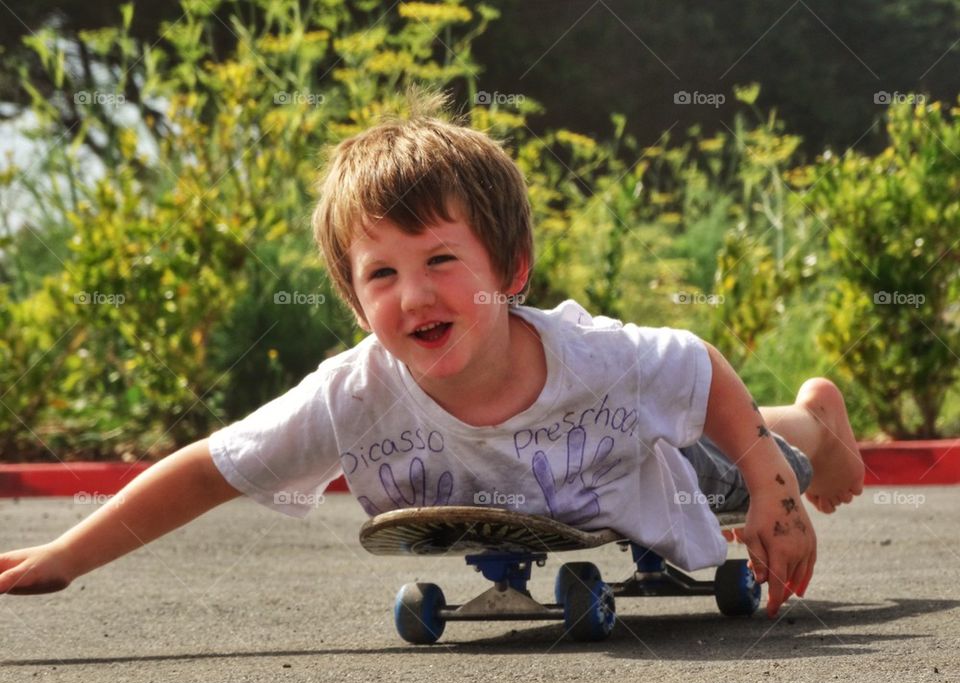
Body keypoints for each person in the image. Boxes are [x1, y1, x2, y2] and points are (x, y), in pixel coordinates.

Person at [0, 91, 864, 619]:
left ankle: (814, 424)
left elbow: (698, 367)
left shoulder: (596, 360)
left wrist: (772, 487)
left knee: (726, 448)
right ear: (354, 299)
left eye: (441, 261)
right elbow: (210, 469)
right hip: (550, 483)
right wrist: (65, 557)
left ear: (510, 271)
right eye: (382, 274)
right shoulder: (353, 394)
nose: (412, 296)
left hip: (637, 461)